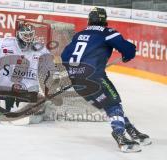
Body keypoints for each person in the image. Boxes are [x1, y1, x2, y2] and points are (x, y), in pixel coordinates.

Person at [61, 7, 151, 152]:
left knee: (110, 106)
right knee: (113, 104)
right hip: (95, 79)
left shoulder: (79, 35)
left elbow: (65, 56)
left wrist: (75, 74)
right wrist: (129, 53)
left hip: (78, 82)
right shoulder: (107, 32)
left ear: (89, 20)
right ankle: (120, 136)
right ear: (105, 20)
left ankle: (132, 131)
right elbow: (127, 49)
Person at [0, 21, 58, 123]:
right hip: (5, 88)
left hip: (27, 91)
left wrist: (53, 72)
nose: (29, 38)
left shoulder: (40, 48)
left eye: (31, 35)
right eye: (26, 35)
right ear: (19, 35)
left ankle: (35, 112)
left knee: (42, 101)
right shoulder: (6, 43)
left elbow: (49, 64)